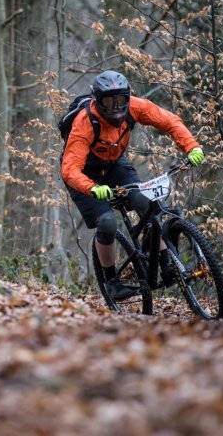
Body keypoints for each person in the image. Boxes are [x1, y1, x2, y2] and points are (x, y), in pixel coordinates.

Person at [60, 70, 205, 300]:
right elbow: (70, 169)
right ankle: (112, 282)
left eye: (121, 99)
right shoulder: (85, 122)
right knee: (107, 224)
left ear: (128, 97)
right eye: (109, 100)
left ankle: (165, 263)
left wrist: (192, 147)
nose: (117, 106)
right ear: (98, 101)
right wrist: (92, 187)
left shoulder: (134, 106)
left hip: (114, 163)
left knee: (147, 204)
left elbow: (169, 121)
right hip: (85, 174)